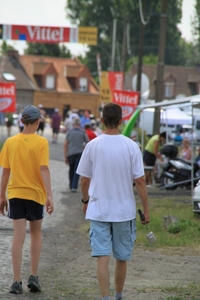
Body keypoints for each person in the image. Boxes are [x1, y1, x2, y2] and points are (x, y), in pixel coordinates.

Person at [76, 103, 150, 300]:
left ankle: (104, 298)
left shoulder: (92, 145)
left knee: (102, 256)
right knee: (122, 257)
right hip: (124, 211)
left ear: (101, 120)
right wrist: (146, 209)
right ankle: (118, 295)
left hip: (99, 209)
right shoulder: (131, 146)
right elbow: (140, 181)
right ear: (120, 120)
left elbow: (84, 180)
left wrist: (86, 200)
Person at [0, 105, 54, 295]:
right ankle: (33, 275)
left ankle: (16, 280)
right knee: (36, 233)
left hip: (15, 193)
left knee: (18, 236)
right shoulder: (41, 142)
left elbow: (5, 171)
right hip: (35, 194)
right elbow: (43, 169)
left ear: (22, 121)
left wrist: (1, 196)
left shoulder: (10, 142)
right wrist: (49, 194)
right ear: (38, 121)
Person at [64, 117, 89, 193]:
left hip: (71, 153)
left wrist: (65, 156)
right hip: (79, 153)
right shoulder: (82, 132)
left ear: (73, 123)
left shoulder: (69, 132)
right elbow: (88, 143)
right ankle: (74, 186)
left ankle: (71, 184)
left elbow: (65, 144)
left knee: (71, 169)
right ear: (80, 124)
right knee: (76, 170)